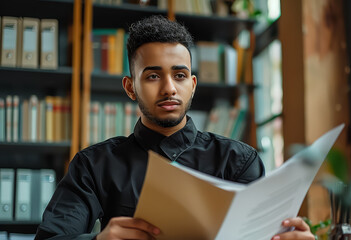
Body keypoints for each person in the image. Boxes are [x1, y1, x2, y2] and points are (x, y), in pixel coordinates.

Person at [35, 15, 314, 240]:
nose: (169, 88)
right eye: (153, 76)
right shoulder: (94, 165)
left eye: (179, 75)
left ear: (191, 85)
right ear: (131, 87)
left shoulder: (238, 161)